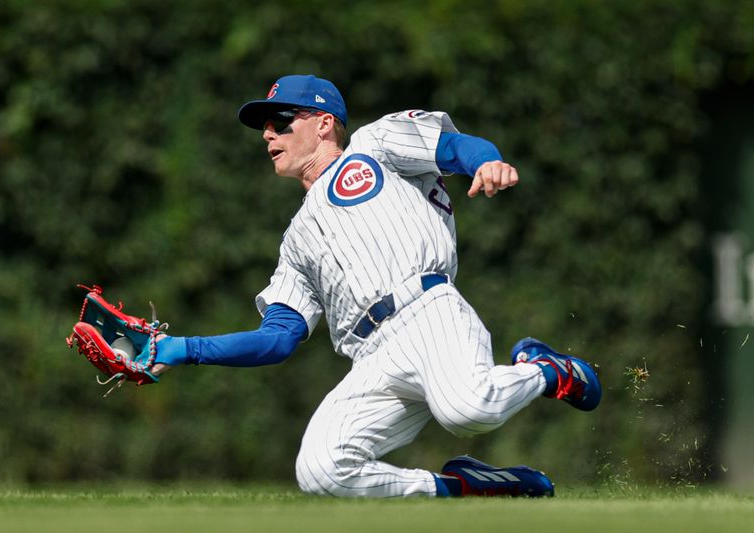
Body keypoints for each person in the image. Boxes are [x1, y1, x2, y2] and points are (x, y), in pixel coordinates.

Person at [148, 74, 602, 498]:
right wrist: (184, 348)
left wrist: (487, 163)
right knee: (320, 471)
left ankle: (547, 370)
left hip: (426, 311)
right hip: (371, 357)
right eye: (264, 127)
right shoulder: (294, 241)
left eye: (281, 122)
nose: (268, 134)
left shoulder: (371, 145)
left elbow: (453, 146)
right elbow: (278, 338)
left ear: (325, 124)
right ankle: (466, 486)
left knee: (470, 411)